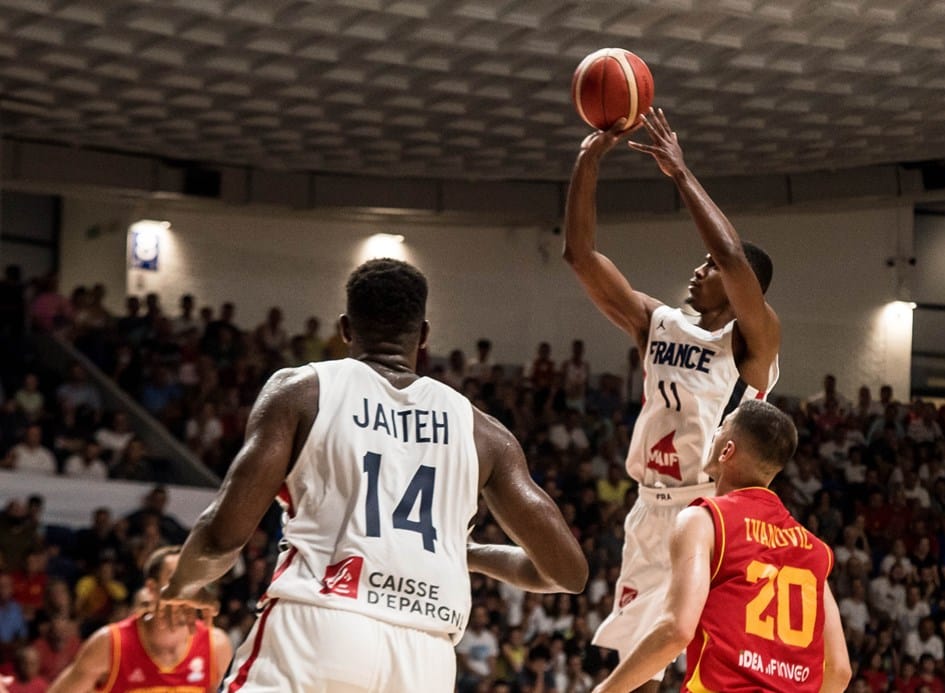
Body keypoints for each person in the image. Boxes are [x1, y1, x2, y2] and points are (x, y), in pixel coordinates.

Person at [159, 258, 587, 692]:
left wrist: (184, 585)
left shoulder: (302, 391)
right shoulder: (482, 430)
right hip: (427, 657)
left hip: (319, 625)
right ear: (423, 335)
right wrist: (470, 554)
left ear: (345, 328)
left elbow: (221, 537)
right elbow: (567, 574)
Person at [562, 107, 781, 688]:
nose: (700, 269)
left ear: (743, 289)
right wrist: (587, 162)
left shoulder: (753, 340)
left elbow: (732, 257)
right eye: (702, 263)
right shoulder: (656, 323)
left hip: (714, 507)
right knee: (639, 665)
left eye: (709, 267)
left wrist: (680, 173)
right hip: (651, 509)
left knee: (716, 661)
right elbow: (580, 257)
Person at [593, 400, 851, 692]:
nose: (714, 432)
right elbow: (840, 671)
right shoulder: (814, 550)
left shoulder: (704, 520)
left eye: (721, 428)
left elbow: (677, 630)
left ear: (727, 451)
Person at [48, 546, 231, 692]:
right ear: (152, 588)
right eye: (175, 580)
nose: (185, 589)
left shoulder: (216, 645)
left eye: (191, 580)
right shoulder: (110, 643)